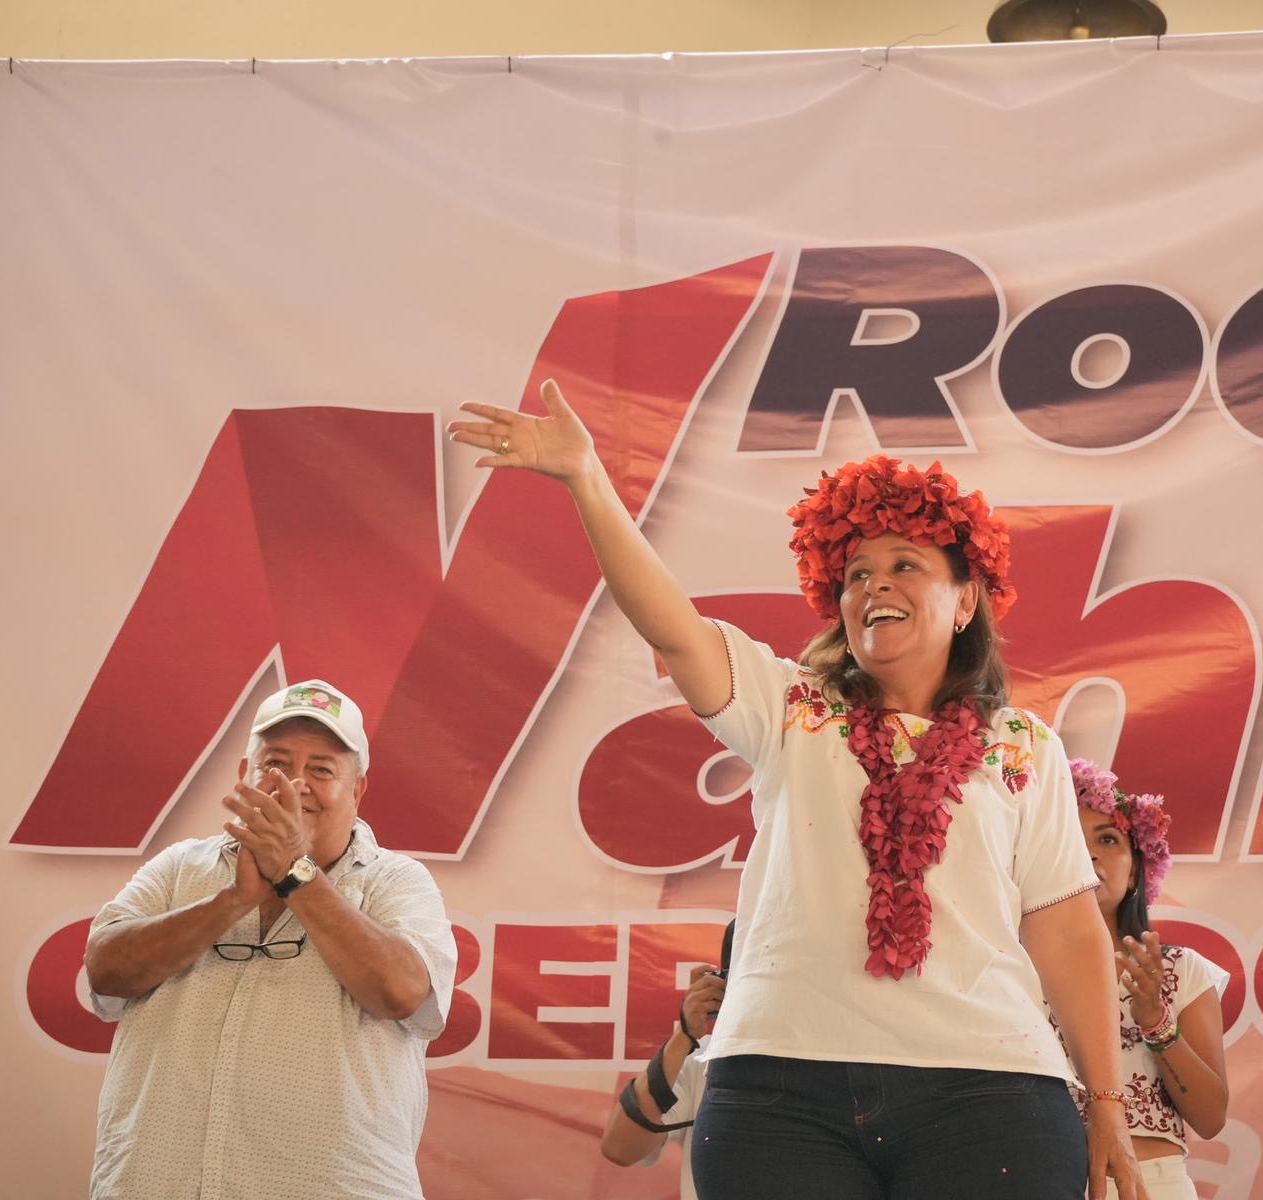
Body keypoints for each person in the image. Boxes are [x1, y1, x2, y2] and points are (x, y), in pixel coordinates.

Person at [449, 382, 1147, 1200]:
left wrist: (1106, 1106)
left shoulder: (1023, 746)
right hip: (781, 1089)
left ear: (966, 601)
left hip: (989, 1089)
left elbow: (1066, 929)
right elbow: (673, 627)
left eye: (904, 566)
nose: (873, 586)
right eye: (854, 574)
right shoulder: (792, 708)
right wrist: (587, 480)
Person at [84, 679, 458, 1200]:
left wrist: (294, 874)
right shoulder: (178, 868)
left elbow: (401, 993)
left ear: (358, 790)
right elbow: (105, 969)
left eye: (322, 769)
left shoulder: (396, 881)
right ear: (245, 776)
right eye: (275, 765)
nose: (294, 784)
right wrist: (229, 902)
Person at [1066, 759, 1229, 1200]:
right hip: (1039, 1179)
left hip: (1153, 1185)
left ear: (1137, 868)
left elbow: (1211, 1117)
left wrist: (1156, 1020)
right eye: (1070, 840)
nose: (1091, 854)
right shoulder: (1013, 968)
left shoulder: (1181, 970)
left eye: (1107, 839)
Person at [600, 921, 735, 1199]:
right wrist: (684, 1036)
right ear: (724, 983)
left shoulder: (845, 1061)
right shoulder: (702, 1062)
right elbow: (620, 1148)